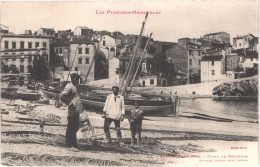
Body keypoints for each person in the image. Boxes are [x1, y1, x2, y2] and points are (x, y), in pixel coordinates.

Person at [60, 73, 82, 151]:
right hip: (72, 110)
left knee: (75, 127)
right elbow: (62, 96)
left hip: (76, 110)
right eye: (77, 79)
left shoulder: (74, 86)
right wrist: (70, 103)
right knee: (71, 127)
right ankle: (69, 145)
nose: (78, 81)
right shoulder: (69, 86)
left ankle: (74, 143)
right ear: (74, 79)